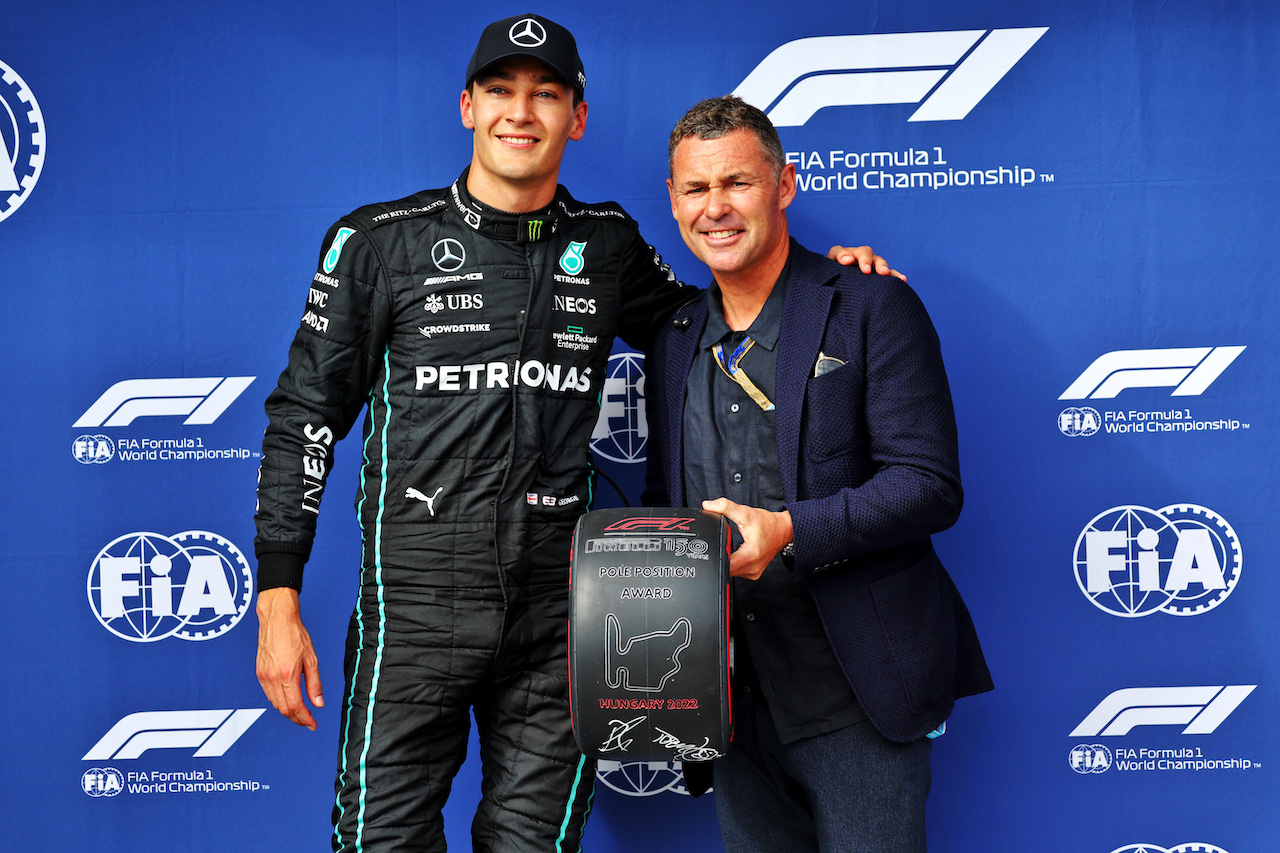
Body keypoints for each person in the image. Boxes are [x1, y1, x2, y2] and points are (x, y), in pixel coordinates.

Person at [253, 15, 892, 853]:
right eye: (502, 92)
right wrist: (278, 593)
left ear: (576, 117)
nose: (522, 113)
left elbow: (711, 325)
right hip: (414, 609)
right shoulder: (378, 243)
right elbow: (303, 415)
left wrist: (815, 280)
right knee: (380, 842)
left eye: (546, 95)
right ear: (468, 107)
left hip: (564, 616)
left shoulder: (609, 242)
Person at [643, 95, 994, 852]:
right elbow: (661, 507)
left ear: (784, 185)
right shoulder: (671, 339)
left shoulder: (872, 304)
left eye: (736, 182)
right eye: (696, 190)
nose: (716, 208)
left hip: (855, 694)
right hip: (727, 703)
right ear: (673, 202)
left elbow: (929, 483)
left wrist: (791, 530)